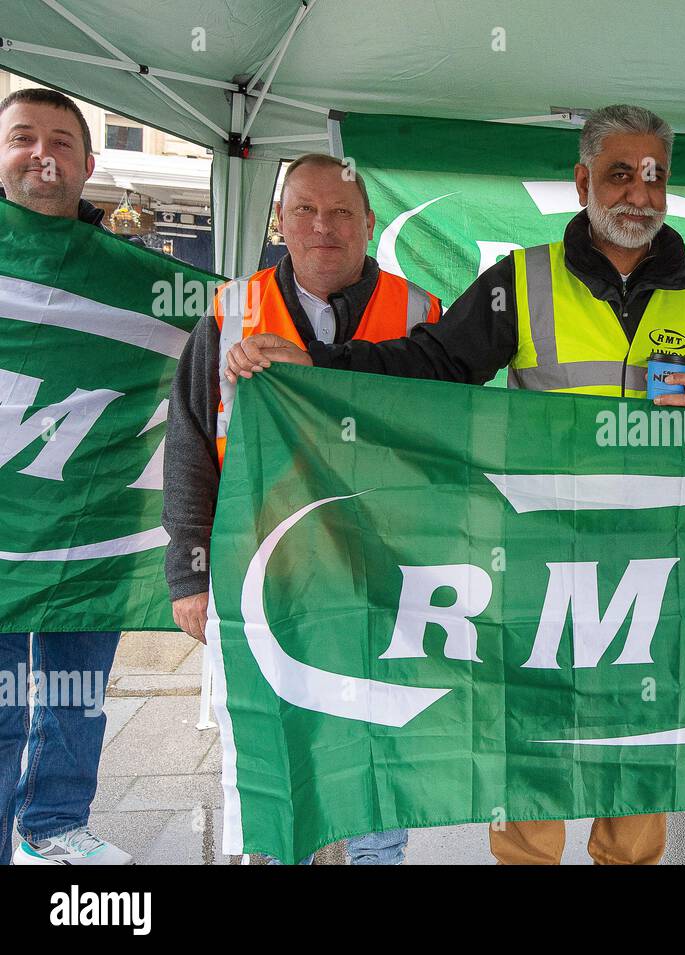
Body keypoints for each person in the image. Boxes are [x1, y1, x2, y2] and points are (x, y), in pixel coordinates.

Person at [222, 104, 685, 864]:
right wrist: (320, 368)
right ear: (582, 182)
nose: (639, 192)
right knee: (533, 750)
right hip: (543, 560)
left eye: (655, 176)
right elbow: (429, 366)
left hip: (654, 564)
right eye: (620, 173)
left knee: (639, 755)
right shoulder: (522, 280)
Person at [164, 153, 441, 864]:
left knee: (379, 744)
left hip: (379, 578)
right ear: (279, 222)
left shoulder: (421, 315)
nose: (325, 226)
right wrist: (188, 575)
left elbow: (447, 448)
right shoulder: (228, 314)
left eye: (343, 211)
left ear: (370, 224)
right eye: (307, 211)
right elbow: (190, 446)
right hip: (264, 577)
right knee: (272, 746)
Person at [0, 87, 133, 865]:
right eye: (22, 137)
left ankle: (53, 823)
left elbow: (214, 330)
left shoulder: (128, 277)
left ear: (87, 163)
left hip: (93, 522)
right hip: (6, 531)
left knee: (76, 694)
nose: (40, 153)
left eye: (60, 139)